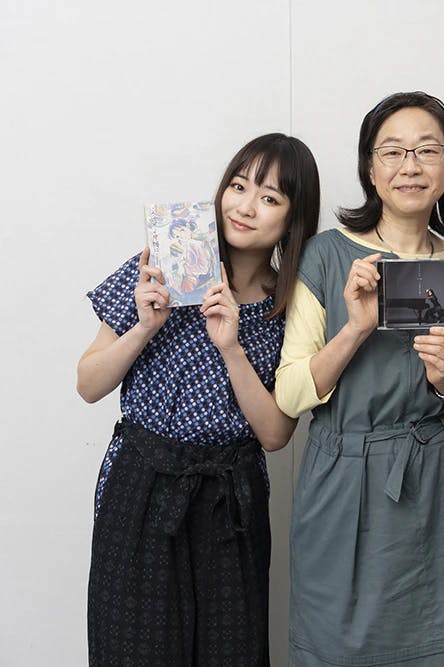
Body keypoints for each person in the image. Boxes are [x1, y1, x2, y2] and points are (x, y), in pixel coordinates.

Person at [274, 92, 444, 666]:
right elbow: (291, 392)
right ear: (369, 168)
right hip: (343, 482)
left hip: (442, 485)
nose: (410, 166)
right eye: (394, 151)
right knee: (338, 645)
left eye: (428, 151)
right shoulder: (325, 256)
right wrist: (354, 329)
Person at [77, 133, 321, 665]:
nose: (246, 206)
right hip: (140, 484)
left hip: (230, 498)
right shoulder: (160, 264)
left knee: (229, 652)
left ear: (293, 219)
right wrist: (142, 328)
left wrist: (231, 346)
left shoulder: (289, 304)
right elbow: (88, 383)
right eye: (239, 185)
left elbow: (276, 435)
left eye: (270, 197)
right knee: (131, 650)